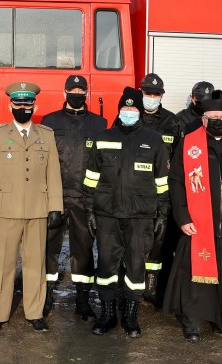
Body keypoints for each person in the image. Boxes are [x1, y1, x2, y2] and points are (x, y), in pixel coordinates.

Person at [83, 87, 170, 338]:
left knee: (135, 267)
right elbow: (91, 178)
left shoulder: (154, 140)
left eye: (133, 108)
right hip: (107, 214)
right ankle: (108, 313)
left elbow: (162, 182)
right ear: (119, 111)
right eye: (125, 108)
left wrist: (162, 213)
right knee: (106, 266)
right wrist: (90, 209)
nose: (129, 112)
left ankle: (131, 316)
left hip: (140, 216)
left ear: (139, 111)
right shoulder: (102, 137)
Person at [0, 82, 64, 333]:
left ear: (34, 106)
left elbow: (54, 174)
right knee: (4, 265)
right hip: (7, 210)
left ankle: (35, 312)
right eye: (18, 104)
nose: (23, 108)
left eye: (27, 104)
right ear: (10, 106)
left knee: (35, 264)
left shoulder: (46, 135)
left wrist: (55, 207)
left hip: (38, 209)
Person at [40, 75, 107, 320]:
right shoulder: (49, 122)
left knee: (84, 250)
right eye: (73, 89)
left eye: (81, 89)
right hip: (54, 198)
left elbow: (103, 163)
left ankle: (82, 300)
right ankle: (45, 297)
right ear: (64, 92)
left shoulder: (100, 124)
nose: (77, 93)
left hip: (84, 198)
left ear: (87, 93)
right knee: (48, 248)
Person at [163, 90, 222, 341]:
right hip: (198, 223)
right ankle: (193, 321)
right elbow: (176, 182)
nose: (217, 120)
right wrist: (183, 216)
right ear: (204, 119)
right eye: (212, 117)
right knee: (192, 273)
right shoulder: (190, 143)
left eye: (221, 116)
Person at [139, 73, 182, 306]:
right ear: (141, 93)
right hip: (135, 191)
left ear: (162, 95)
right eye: (148, 93)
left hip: (161, 193)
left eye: (156, 94)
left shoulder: (172, 122)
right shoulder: (129, 116)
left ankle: (153, 286)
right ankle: (132, 284)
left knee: (159, 242)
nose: (151, 98)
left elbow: (177, 161)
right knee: (133, 241)